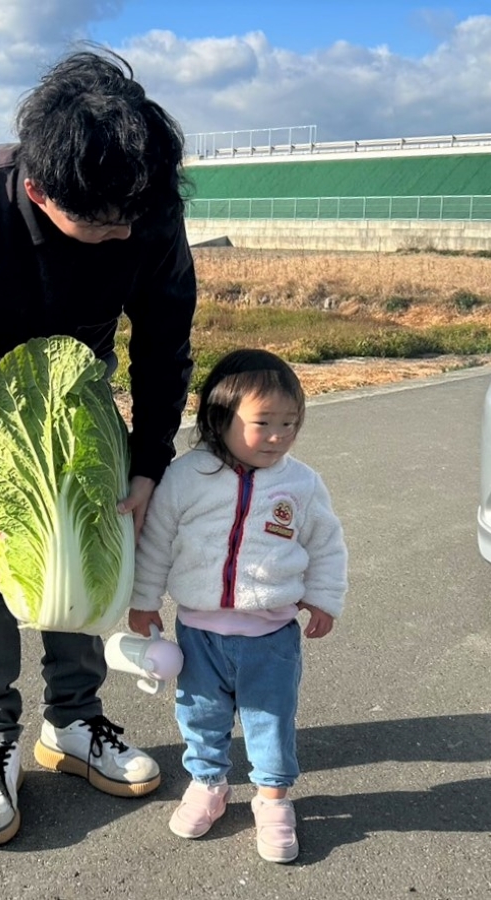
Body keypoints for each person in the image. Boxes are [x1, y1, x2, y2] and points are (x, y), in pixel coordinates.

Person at [0, 47, 197, 846]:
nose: (127, 230)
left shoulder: (146, 204)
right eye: (104, 223)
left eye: (137, 213)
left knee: (85, 536)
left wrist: (147, 463)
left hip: (80, 381)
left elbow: (165, 340)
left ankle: (75, 722)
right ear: (39, 188)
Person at [128, 349, 348, 863]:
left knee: (270, 717)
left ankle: (273, 799)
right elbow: (157, 541)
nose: (279, 435)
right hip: (198, 632)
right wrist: (143, 602)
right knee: (200, 713)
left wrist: (323, 599)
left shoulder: (301, 484)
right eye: (263, 422)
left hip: (271, 635)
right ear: (220, 418)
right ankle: (208, 782)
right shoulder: (186, 477)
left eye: (290, 422)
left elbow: (326, 545)